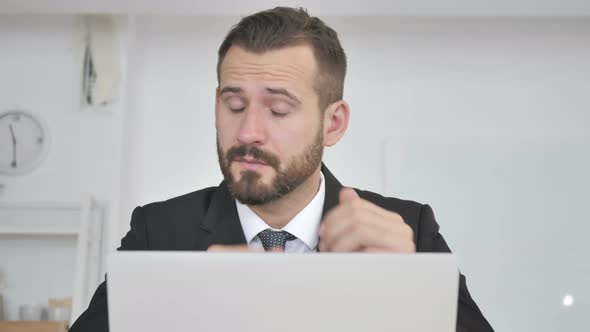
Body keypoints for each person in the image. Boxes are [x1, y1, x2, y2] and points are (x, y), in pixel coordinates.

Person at [69, 7, 493, 331]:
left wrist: (414, 290)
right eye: (234, 105)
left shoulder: (409, 231)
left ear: (334, 123)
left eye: (278, 109)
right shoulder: (157, 233)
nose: (249, 131)